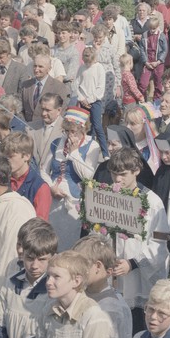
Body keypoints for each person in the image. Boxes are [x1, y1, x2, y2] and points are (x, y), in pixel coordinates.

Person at [107, 147, 169, 333]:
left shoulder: (152, 201)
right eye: (114, 174)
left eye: (123, 174)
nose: (118, 179)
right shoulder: (107, 196)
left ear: (136, 171)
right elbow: (99, 232)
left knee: (137, 330)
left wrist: (133, 263)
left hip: (139, 278)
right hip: (113, 273)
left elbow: (159, 243)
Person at [0, 220, 57, 338]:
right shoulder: (10, 282)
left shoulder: (53, 290)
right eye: (30, 258)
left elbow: (45, 332)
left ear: (52, 257)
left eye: (42, 259)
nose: (34, 266)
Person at [46, 106, 102, 250]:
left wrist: (75, 152)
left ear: (83, 130)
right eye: (67, 131)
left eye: (74, 131)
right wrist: (50, 186)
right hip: (53, 198)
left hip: (75, 201)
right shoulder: (57, 142)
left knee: (69, 243)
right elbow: (43, 169)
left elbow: (88, 176)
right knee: (50, 241)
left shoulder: (92, 145)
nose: (70, 135)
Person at [33, 250, 112, 338]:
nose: (48, 282)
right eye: (48, 276)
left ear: (76, 281)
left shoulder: (93, 316)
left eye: (56, 276)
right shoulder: (48, 310)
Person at [73, 233, 133, 338]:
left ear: (98, 267)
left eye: (81, 265)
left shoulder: (111, 308)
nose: (76, 270)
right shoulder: (82, 293)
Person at [1, 131, 50, 220]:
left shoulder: (40, 187)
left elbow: (40, 225)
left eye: (11, 156)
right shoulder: (1, 180)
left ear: (27, 156)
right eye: (4, 157)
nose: (6, 161)